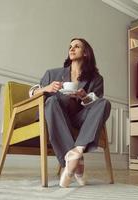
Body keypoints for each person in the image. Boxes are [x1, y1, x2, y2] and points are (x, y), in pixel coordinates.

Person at [30, 38, 111, 187]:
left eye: (77, 46)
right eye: (70, 47)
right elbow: (31, 92)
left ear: (86, 52)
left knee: (104, 103)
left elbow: (96, 105)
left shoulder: (96, 79)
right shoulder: (53, 73)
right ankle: (75, 162)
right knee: (51, 101)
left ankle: (77, 151)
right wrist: (46, 88)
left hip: (80, 118)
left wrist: (84, 97)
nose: (71, 49)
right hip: (56, 114)